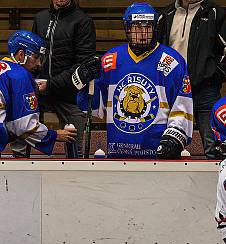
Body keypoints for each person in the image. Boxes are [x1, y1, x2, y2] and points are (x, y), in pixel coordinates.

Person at [93, 2, 193, 159]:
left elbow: (182, 106)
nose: (143, 32)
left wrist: (174, 138)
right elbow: (94, 109)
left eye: (147, 26)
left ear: (154, 28)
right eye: (137, 27)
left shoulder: (172, 61)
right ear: (128, 29)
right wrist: (84, 84)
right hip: (118, 153)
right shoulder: (110, 60)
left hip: (158, 154)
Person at [156, 0, 226, 159]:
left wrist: (212, 76)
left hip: (205, 90)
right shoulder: (165, 15)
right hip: (172, 91)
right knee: (166, 147)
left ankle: (221, 184)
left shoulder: (214, 13)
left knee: (215, 148)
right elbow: (156, 50)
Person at [32, 0, 99, 157]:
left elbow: (83, 64)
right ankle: (19, 159)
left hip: (68, 92)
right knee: (19, 119)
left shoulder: (83, 21)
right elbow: (33, 56)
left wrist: (51, 84)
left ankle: (77, 170)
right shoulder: (40, 18)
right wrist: (32, 82)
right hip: (39, 87)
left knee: (76, 149)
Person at [0, 30, 76, 154]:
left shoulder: (5, 70)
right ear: (21, 55)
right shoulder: (20, 75)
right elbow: (24, 126)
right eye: (35, 57)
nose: (39, 63)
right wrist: (54, 135)